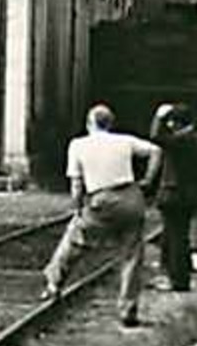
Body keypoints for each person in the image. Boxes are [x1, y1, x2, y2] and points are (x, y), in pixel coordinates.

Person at [41, 104, 162, 328]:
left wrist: (77, 208)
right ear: (110, 124)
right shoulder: (124, 140)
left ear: (89, 124)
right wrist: (147, 180)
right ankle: (128, 309)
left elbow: (76, 184)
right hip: (131, 198)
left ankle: (53, 283)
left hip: (101, 199)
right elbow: (156, 151)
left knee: (75, 239)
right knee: (132, 255)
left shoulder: (78, 145)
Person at [151, 102, 197, 292]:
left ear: (178, 123)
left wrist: (159, 116)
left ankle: (179, 281)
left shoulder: (182, 140)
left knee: (176, 239)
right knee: (175, 237)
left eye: (172, 122)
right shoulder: (192, 138)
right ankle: (175, 275)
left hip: (175, 195)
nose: (170, 125)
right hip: (184, 194)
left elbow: (156, 137)